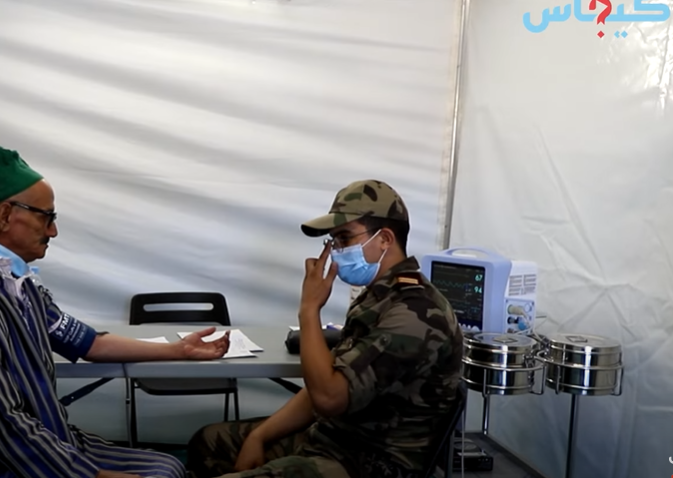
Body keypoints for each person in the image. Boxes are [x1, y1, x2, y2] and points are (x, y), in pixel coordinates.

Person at [0, 145, 232, 478]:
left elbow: (90, 343)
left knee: (169, 467)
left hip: (48, 443)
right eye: (46, 217)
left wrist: (178, 350)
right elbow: (2, 426)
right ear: (5, 215)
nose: (53, 231)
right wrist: (91, 475)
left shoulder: (18, 287)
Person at [186, 180, 464, 478]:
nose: (336, 251)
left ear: (384, 239)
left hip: (371, 460)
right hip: (335, 438)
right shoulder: (378, 297)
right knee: (209, 443)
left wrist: (309, 309)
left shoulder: (415, 313)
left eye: (344, 238)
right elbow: (324, 385)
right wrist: (260, 436)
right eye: (333, 241)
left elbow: (328, 398)